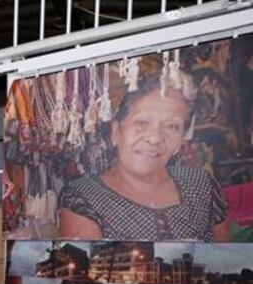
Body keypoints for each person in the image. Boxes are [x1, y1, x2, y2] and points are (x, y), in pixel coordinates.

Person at [59, 73, 230, 241]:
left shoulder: (201, 184)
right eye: (142, 123)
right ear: (116, 131)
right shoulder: (84, 197)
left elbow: (226, 256)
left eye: (172, 126)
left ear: (180, 141)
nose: (155, 137)